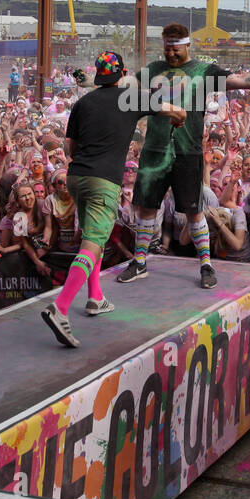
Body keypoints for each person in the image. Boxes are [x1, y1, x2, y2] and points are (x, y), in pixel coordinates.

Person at [119, 23, 250, 290]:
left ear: (187, 45)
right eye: (167, 47)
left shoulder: (202, 70)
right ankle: (140, 261)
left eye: (175, 48)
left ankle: (205, 265)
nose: (170, 52)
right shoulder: (152, 69)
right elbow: (126, 89)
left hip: (188, 151)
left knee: (194, 211)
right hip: (154, 150)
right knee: (146, 208)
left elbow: (241, 81)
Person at [42, 50, 185, 348]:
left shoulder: (82, 103)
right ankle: (62, 307)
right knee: (95, 239)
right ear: (122, 74)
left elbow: (70, 150)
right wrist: (179, 120)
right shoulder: (129, 97)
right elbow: (178, 112)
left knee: (93, 237)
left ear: (98, 74)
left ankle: (95, 297)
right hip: (104, 180)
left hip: (76, 178)